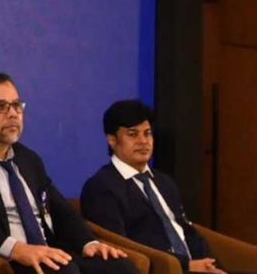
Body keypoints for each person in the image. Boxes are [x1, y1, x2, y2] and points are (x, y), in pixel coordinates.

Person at [0, 72, 136, 274]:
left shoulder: (28, 159)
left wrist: (88, 243)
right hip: (2, 262)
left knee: (120, 268)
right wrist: (14, 248)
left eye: (17, 105)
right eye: (1, 106)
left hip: (46, 253)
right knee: (61, 271)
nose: (13, 114)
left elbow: (60, 211)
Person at [81, 100, 249, 274]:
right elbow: (121, 244)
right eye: (133, 134)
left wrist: (210, 264)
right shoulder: (101, 187)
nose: (143, 141)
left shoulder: (164, 182)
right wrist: (186, 265)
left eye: (147, 133)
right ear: (112, 140)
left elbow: (186, 230)